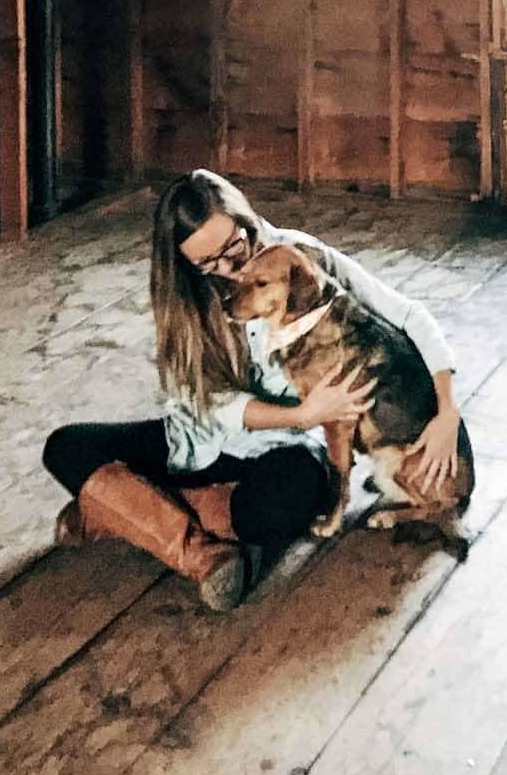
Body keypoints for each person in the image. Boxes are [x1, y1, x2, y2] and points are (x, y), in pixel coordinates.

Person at [42, 170, 462, 611]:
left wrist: (447, 410)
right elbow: (216, 405)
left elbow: (409, 316)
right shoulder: (186, 298)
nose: (228, 269)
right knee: (65, 447)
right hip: (206, 441)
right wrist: (302, 414)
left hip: (284, 454)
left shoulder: (301, 259)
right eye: (208, 263)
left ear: (245, 220)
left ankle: (125, 508)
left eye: (233, 248)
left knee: (290, 500)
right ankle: (200, 553)